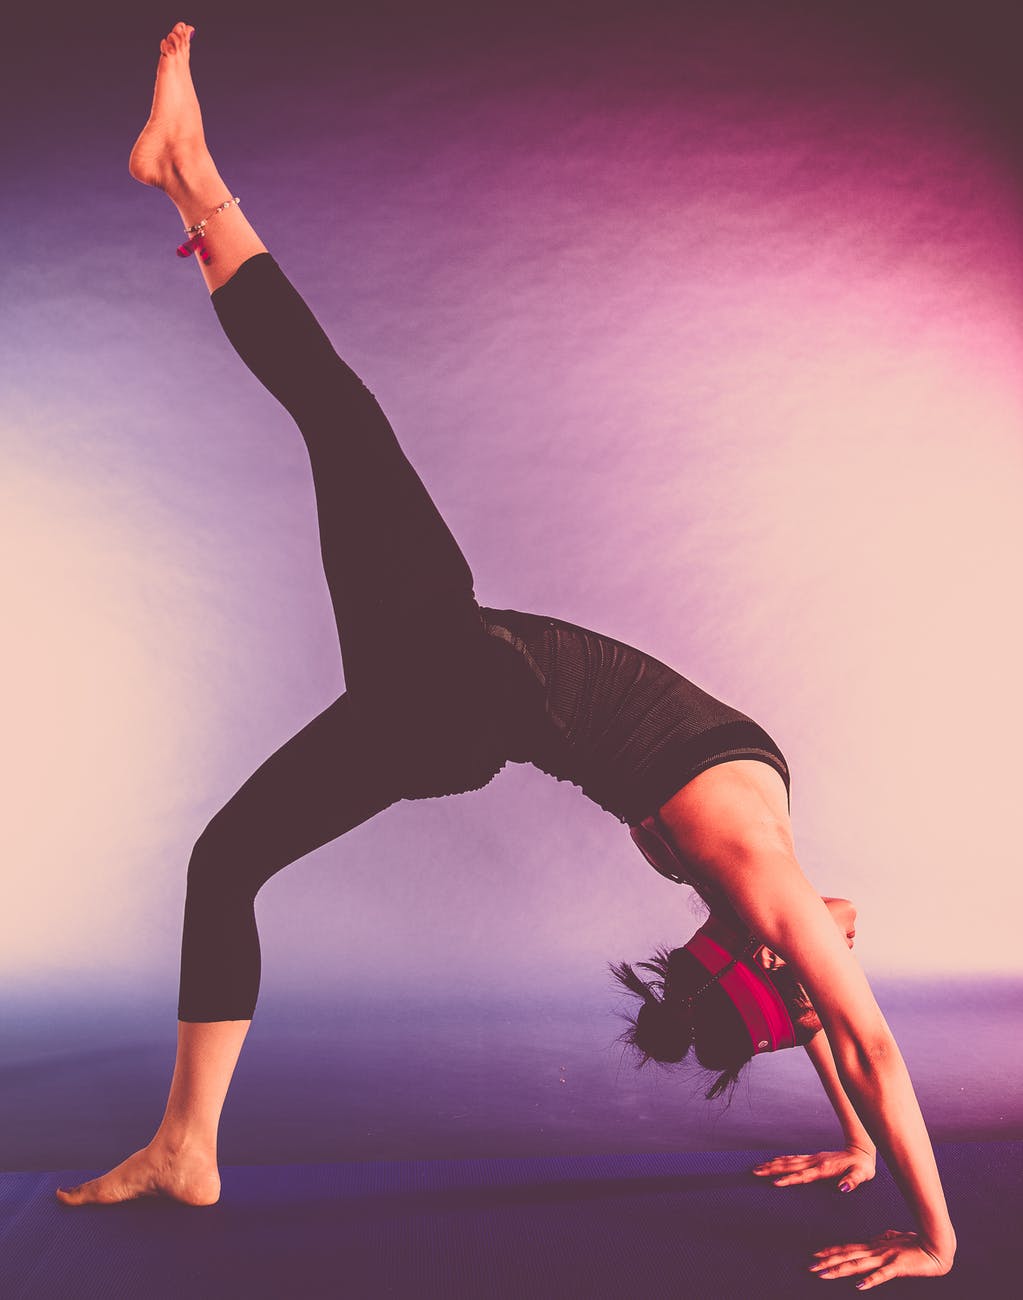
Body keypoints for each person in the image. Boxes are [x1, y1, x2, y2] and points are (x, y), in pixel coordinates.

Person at [56, 22, 955, 1290]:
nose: (836, 945)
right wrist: (854, 1144)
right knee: (227, 857)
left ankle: (191, 175)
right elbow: (826, 1007)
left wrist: (937, 1237)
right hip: (448, 698)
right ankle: (187, 1150)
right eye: (813, 977)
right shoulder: (759, 891)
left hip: (455, 678)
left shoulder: (756, 871)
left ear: (754, 949)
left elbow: (863, 1039)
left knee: (340, 414)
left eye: (803, 970)